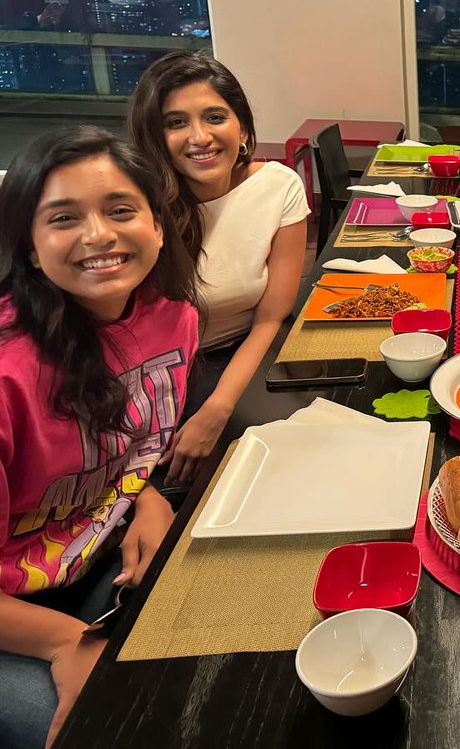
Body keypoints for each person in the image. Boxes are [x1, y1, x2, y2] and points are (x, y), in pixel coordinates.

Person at [0, 126, 198, 749]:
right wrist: (65, 643)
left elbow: (129, 450)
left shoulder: (175, 320)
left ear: (159, 226)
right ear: (30, 248)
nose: (99, 235)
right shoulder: (9, 374)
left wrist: (147, 496)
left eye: (120, 210)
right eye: (63, 218)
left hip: (96, 557)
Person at [128, 52, 309, 486]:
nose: (200, 137)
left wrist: (217, 408)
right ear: (154, 136)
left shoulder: (277, 186)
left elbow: (270, 317)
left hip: (242, 359)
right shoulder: (135, 206)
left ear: (242, 128)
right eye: (176, 123)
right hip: (147, 383)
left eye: (214, 116)